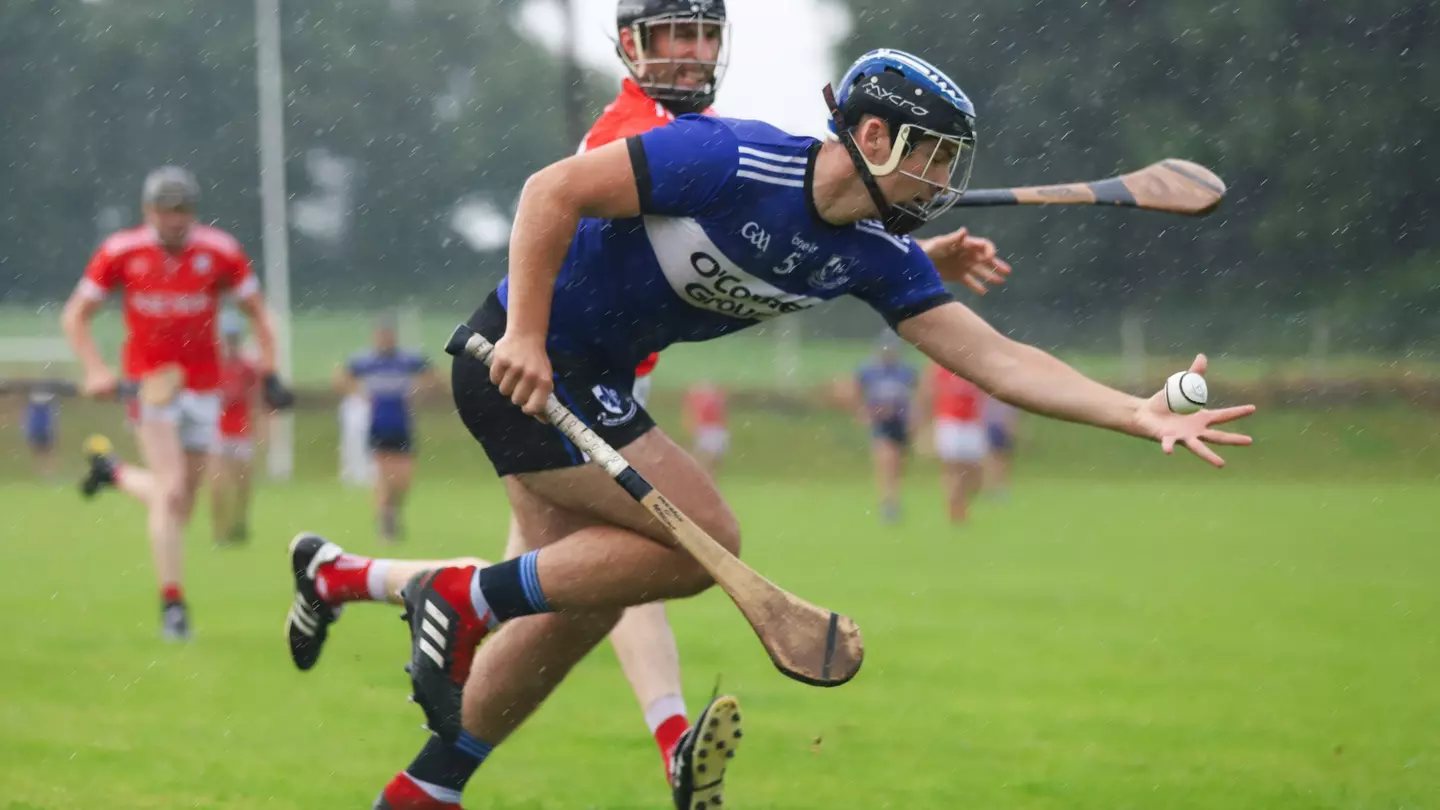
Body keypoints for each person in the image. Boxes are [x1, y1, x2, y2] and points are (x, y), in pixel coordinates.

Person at [285, 48, 1254, 810]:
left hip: (597, 386)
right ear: (869, 134)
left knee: (582, 606)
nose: (941, 176)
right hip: (517, 363)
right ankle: (460, 597)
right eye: (928, 153)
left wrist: (1134, 409)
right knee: (705, 541)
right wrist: (528, 335)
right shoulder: (728, 157)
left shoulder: (875, 255)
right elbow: (552, 191)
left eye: (949, 161)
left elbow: (998, 360)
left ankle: (429, 778)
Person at [61, 166, 293, 641]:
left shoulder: (220, 252)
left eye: (182, 209)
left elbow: (259, 313)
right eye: (165, 210)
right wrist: (96, 369)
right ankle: (173, 606)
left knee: (183, 501)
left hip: (202, 388)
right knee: (169, 494)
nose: (174, 219)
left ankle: (113, 472)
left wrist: (269, 371)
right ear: (148, 211)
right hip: (150, 388)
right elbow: (76, 315)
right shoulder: (121, 252)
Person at [336, 318, 438, 543]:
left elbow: (432, 373)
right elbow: (342, 376)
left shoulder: (405, 360)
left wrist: (418, 392)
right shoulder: (367, 362)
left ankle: (393, 510)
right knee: (383, 476)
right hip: (378, 427)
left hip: (402, 426)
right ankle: (385, 519)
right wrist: (358, 394)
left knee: (403, 479)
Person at [211, 309, 263, 544]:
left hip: (241, 430)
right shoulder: (213, 366)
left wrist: (259, 426)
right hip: (216, 432)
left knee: (243, 482)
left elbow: (255, 397)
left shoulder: (247, 368)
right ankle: (219, 529)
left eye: (233, 338)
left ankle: (240, 522)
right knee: (218, 483)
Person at [854, 335, 917, 523]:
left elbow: (917, 394)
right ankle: (886, 502)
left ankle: (894, 498)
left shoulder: (905, 371)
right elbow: (855, 389)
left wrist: (915, 416)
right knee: (885, 459)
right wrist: (863, 411)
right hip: (880, 422)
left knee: (898, 465)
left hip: (900, 422)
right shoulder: (869, 371)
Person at [918, 362, 988, 523]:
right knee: (953, 470)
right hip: (949, 422)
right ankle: (955, 511)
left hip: (971, 422)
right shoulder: (940, 367)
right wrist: (926, 424)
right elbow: (927, 393)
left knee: (975, 475)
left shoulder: (973, 367)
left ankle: (961, 502)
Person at [681, 380, 728, 477]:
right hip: (705, 429)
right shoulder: (698, 398)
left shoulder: (715, 397)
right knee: (705, 456)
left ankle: (708, 475)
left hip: (715, 428)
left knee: (714, 458)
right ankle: (703, 474)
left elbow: (722, 413)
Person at [982, 394, 1018, 498]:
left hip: (1002, 426)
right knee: (994, 458)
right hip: (995, 425)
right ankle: (992, 486)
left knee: (1003, 459)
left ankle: (1000, 486)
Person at [24, 383, 61, 479]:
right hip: (41, 431)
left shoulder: (36, 407)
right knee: (43, 453)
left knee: (44, 453)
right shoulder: (43, 406)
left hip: (42, 431)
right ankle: (44, 472)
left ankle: (46, 472)